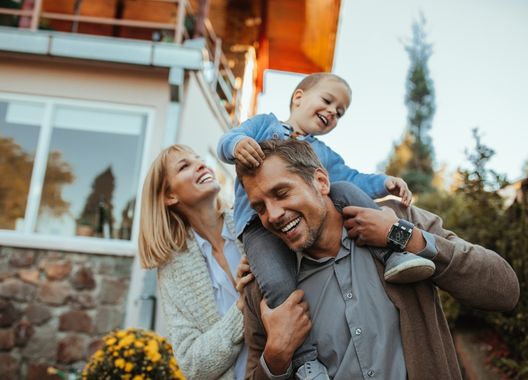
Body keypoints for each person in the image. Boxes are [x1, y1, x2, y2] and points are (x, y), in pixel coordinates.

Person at [236, 139, 520, 380]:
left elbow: (504, 291)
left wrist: (404, 237)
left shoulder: (398, 221)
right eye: (260, 207)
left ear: (321, 182)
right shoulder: (264, 290)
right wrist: (276, 356)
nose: (272, 215)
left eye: (282, 193)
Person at [218, 73, 434, 378]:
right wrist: (238, 144)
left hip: (307, 218)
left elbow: (353, 178)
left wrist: (385, 182)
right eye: (328, 100)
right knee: (278, 284)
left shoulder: (324, 155)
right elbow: (227, 139)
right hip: (258, 227)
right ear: (298, 97)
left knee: (345, 191)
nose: (333, 112)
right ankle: (306, 360)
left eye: (340, 112)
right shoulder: (264, 124)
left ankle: (393, 253)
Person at [138, 144, 254, 380]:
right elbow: (191, 365)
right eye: (184, 166)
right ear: (170, 196)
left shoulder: (250, 226)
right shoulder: (173, 270)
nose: (201, 164)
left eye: (199, 159)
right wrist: (242, 307)